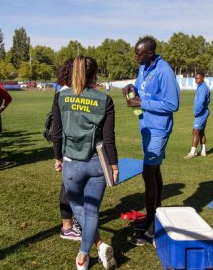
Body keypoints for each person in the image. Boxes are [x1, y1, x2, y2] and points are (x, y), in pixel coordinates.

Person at [52, 56, 118, 269]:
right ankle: (85, 254)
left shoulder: (60, 97)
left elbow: (57, 133)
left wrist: (57, 157)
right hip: (97, 163)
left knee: (78, 207)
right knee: (90, 211)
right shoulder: (104, 99)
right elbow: (109, 138)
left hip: (71, 162)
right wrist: (114, 165)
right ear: (95, 74)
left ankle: (88, 253)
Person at [122, 37, 180, 246]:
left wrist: (142, 102)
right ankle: (155, 216)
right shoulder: (143, 67)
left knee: (148, 173)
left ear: (150, 53)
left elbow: (173, 104)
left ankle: (152, 225)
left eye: (138, 54)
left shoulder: (164, 71)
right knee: (154, 171)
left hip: (158, 129)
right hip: (146, 126)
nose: (135, 57)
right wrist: (131, 89)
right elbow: (140, 90)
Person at [53, 58, 82, 241]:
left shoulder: (70, 93)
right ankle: (67, 227)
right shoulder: (63, 94)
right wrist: (58, 157)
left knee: (77, 185)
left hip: (74, 148)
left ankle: (76, 220)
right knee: (68, 185)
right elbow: (58, 129)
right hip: (67, 149)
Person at [184, 72, 210, 159]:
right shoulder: (201, 87)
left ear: (203, 78)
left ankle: (192, 152)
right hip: (203, 112)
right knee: (201, 132)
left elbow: (201, 101)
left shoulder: (202, 88)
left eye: (198, 78)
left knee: (195, 132)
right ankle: (203, 151)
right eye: (195, 78)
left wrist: (197, 112)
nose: (196, 79)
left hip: (201, 113)